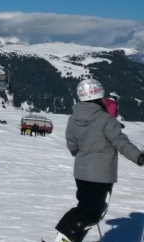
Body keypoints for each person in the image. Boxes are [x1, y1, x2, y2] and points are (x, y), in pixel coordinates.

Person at [52, 79, 143, 242]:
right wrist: (139, 157)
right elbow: (121, 142)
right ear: (101, 96)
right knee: (93, 213)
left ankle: (69, 237)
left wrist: (83, 157)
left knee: (86, 208)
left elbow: (71, 143)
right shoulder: (107, 120)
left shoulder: (73, 119)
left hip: (81, 173)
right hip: (101, 175)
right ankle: (65, 235)